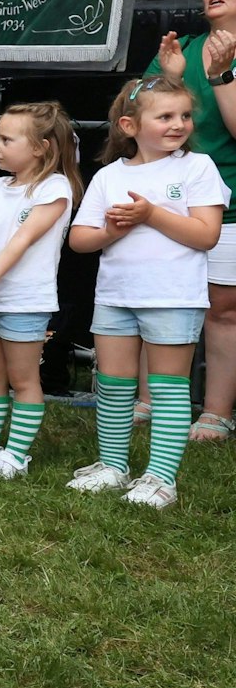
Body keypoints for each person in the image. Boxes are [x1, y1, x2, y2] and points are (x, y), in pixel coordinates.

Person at [66, 77, 225, 508]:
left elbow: (207, 235)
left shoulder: (198, 167)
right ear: (130, 126)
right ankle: (114, 467)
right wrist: (111, 231)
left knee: (168, 387)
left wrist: (151, 214)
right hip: (116, 295)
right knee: (115, 386)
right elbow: (80, 240)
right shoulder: (107, 176)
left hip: (173, 297)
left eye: (185, 115)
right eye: (166, 116)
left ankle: (161, 479)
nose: (179, 125)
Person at [0, 102, 79, 477]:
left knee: (24, 379)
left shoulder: (55, 187)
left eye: (7, 140)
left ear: (41, 147)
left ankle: (16, 455)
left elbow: (24, 237)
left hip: (25, 301)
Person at [147, 0, 236, 442]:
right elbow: (138, 120)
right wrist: (168, 78)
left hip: (230, 200)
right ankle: (145, 400)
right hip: (166, 200)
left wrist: (221, 75)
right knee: (155, 299)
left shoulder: (221, 56)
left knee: (223, 310)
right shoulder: (182, 48)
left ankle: (216, 411)